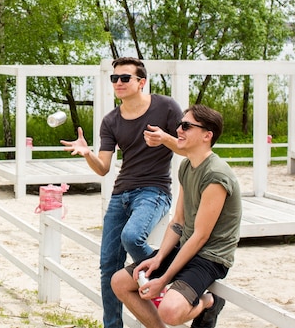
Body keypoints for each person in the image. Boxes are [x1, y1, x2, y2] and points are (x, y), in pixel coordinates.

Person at [61, 57, 183, 328]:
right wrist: (88, 153)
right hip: (121, 194)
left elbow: (188, 146)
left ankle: (172, 275)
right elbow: (103, 168)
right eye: (114, 78)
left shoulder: (166, 107)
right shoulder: (111, 120)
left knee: (132, 236)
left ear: (142, 82)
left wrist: (165, 138)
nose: (118, 82)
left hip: (155, 191)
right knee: (108, 266)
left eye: (124, 78)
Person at [111, 104, 242, 328]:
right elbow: (178, 222)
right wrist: (158, 257)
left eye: (186, 126)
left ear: (206, 135)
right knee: (120, 282)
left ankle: (209, 303)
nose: (178, 130)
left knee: (170, 312)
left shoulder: (215, 175)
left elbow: (201, 236)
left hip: (210, 256)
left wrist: (162, 280)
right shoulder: (186, 167)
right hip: (186, 248)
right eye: (179, 125)